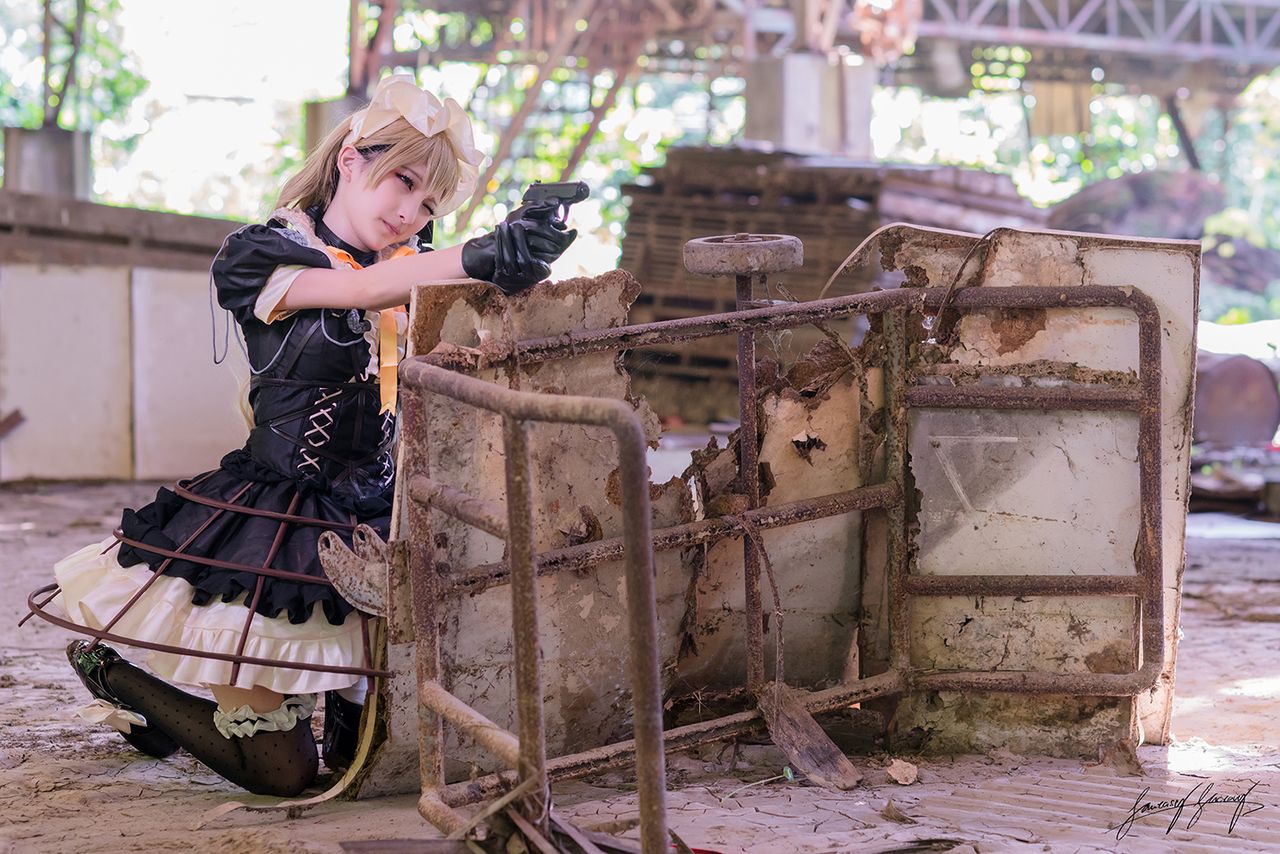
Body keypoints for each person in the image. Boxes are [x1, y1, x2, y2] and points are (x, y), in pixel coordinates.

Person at [25, 74, 577, 797]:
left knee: (363, 757)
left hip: (379, 514)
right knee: (284, 773)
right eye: (403, 181)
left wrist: (517, 255)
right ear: (350, 160)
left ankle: (218, 714)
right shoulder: (264, 255)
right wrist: (480, 254)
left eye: (429, 204)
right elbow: (355, 291)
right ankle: (113, 673)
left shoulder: (409, 266)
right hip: (278, 519)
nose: (410, 212)